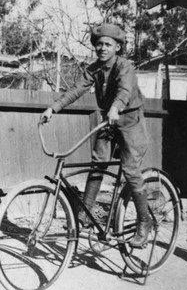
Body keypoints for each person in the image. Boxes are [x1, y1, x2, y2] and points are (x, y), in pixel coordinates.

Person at [40, 23, 151, 248]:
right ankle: (86, 211)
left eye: (108, 44)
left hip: (129, 121)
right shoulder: (94, 69)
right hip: (109, 120)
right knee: (97, 163)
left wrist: (116, 107)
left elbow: (125, 90)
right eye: (99, 44)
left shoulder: (124, 66)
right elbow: (76, 89)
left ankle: (144, 221)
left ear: (118, 47)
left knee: (130, 170)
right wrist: (53, 108)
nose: (102, 48)